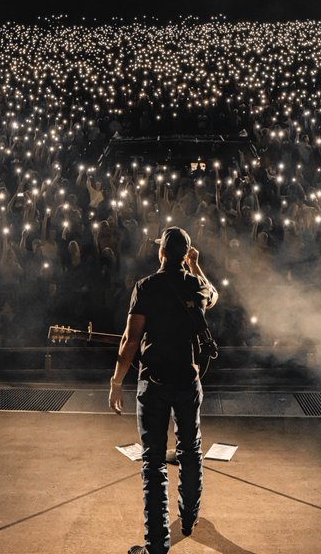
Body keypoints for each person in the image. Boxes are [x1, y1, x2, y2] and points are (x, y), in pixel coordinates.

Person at [109, 226, 219, 554]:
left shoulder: (146, 286)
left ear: (160, 253)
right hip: (188, 380)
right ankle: (188, 519)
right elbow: (213, 296)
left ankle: (156, 545)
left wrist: (117, 382)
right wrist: (195, 266)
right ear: (185, 254)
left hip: (153, 381)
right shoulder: (195, 283)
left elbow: (130, 340)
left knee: (154, 462)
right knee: (190, 451)